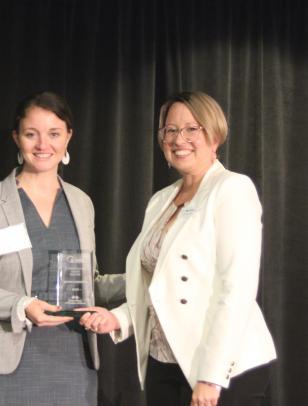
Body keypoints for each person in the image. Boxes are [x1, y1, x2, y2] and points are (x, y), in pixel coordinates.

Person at [79, 91, 277, 406]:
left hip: (222, 366)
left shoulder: (232, 189)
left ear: (214, 136)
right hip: (165, 359)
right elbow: (159, 287)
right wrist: (119, 318)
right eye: (170, 130)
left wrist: (211, 376)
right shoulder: (161, 199)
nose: (178, 139)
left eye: (191, 129)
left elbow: (238, 290)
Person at [0, 91, 125, 406]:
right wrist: (21, 304)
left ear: (69, 136)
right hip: (2, 369)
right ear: (17, 138)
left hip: (72, 364)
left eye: (54, 134)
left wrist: (141, 278)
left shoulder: (82, 204)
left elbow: (86, 284)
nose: (43, 145)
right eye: (32, 134)